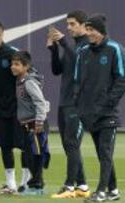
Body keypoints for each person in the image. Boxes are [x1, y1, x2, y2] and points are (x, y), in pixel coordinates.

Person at [74, 14, 124, 202]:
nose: (89, 33)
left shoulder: (114, 49)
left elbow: (122, 78)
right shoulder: (83, 52)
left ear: (101, 31)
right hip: (89, 112)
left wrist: (108, 102)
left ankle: (101, 192)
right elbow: (78, 81)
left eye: (92, 29)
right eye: (87, 30)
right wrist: (79, 104)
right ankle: (113, 191)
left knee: (105, 152)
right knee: (102, 153)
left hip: (108, 113)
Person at [0, 20, 30, 194]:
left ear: (0, 34)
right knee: (5, 146)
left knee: (24, 145)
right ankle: (11, 183)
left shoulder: (12, 53)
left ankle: (25, 183)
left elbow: (29, 76)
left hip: (18, 106)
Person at [47, 10, 91, 199]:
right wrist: (54, 49)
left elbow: (80, 62)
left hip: (78, 103)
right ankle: (82, 185)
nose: (69, 27)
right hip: (64, 102)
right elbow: (57, 70)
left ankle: (69, 187)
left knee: (72, 144)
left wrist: (63, 42)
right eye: (68, 24)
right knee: (68, 145)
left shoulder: (88, 46)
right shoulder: (72, 46)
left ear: (83, 25)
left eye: (73, 24)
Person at [11, 51, 50, 196]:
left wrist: (39, 121)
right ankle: (35, 183)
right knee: (28, 155)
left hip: (35, 124)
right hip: (26, 124)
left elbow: (40, 102)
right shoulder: (19, 81)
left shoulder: (29, 82)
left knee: (36, 155)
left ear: (26, 66)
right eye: (12, 64)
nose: (12, 67)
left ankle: (37, 185)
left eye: (17, 64)